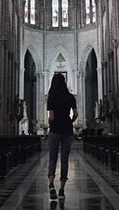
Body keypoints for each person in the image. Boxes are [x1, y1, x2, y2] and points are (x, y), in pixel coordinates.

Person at [46, 73, 78, 201]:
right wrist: (70, 121)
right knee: (65, 159)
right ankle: (62, 189)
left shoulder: (51, 97)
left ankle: (51, 184)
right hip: (67, 130)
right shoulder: (70, 97)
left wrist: (51, 122)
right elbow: (75, 114)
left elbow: (51, 116)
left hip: (55, 129)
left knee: (52, 158)